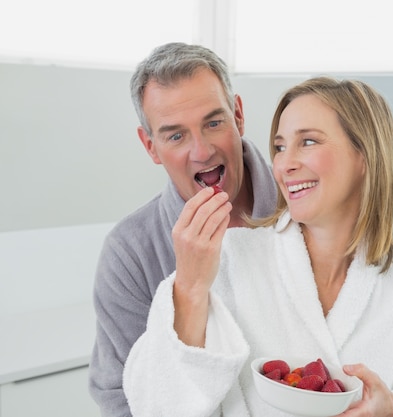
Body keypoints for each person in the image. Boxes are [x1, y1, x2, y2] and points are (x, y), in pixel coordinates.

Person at [122, 76, 393, 416]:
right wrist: (188, 287)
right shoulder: (230, 259)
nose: (284, 164)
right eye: (280, 147)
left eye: (308, 141)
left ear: (365, 155)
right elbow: (155, 405)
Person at [88, 42, 278, 417]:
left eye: (213, 122)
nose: (202, 151)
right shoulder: (129, 253)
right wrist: (188, 289)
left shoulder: (305, 207)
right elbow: (120, 400)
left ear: (238, 116)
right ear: (151, 147)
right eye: (175, 136)